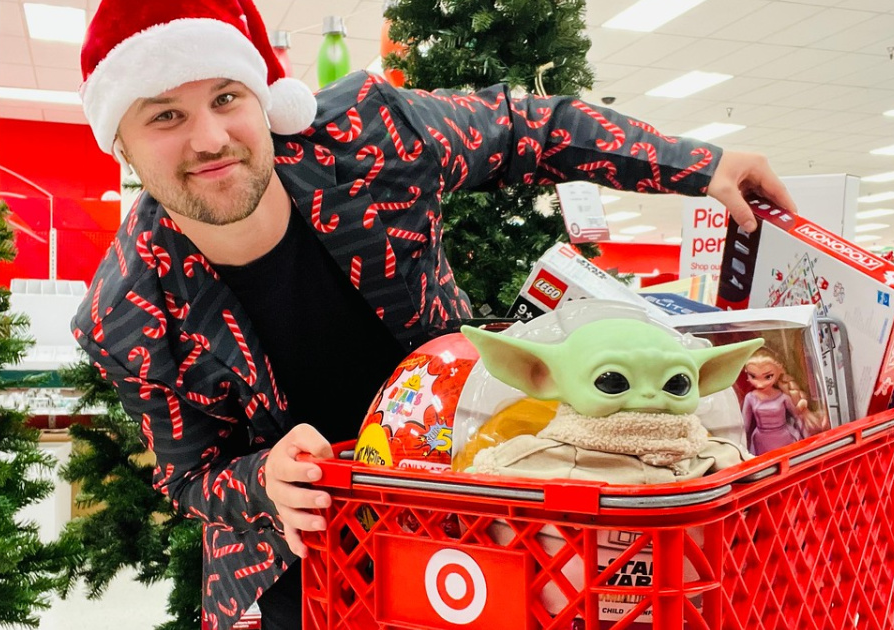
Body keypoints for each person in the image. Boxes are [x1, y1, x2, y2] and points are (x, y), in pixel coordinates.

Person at [69, 0, 799, 627]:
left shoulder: (369, 138)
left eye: (227, 98)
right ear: (120, 143)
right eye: (165, 114)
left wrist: (695, 164)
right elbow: (191, 472)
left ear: (264, 100)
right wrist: (263, 479)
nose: (208, 138)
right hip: (305, 561)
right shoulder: (123, 314)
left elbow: (527, 126)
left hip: (473, 491)